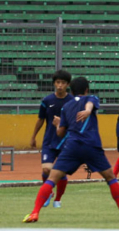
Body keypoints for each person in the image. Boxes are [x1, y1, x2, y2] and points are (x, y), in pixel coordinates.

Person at [23, 77, 119, 223]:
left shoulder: (66, 106)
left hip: (72, 146)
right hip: (91, 146)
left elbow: (60, 133)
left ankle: (34, 213)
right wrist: (88, 111)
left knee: (51, 179)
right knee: (110, 178)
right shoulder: (91, 98)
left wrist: (57, 124)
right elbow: (90, 103)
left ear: (71, 90)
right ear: (86, 90)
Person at [29, 70, 74, 209]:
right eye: (58, 82)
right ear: (54, 83)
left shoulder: (71, 101)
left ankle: (58, 200)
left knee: (62, 171)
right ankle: (48, 192)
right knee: (47, 170)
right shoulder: (47, 100)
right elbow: (40, 120)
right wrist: (33, 136)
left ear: (67, 84)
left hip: (65, 141)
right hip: (49, 140)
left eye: (63, 83)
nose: (60, 85)